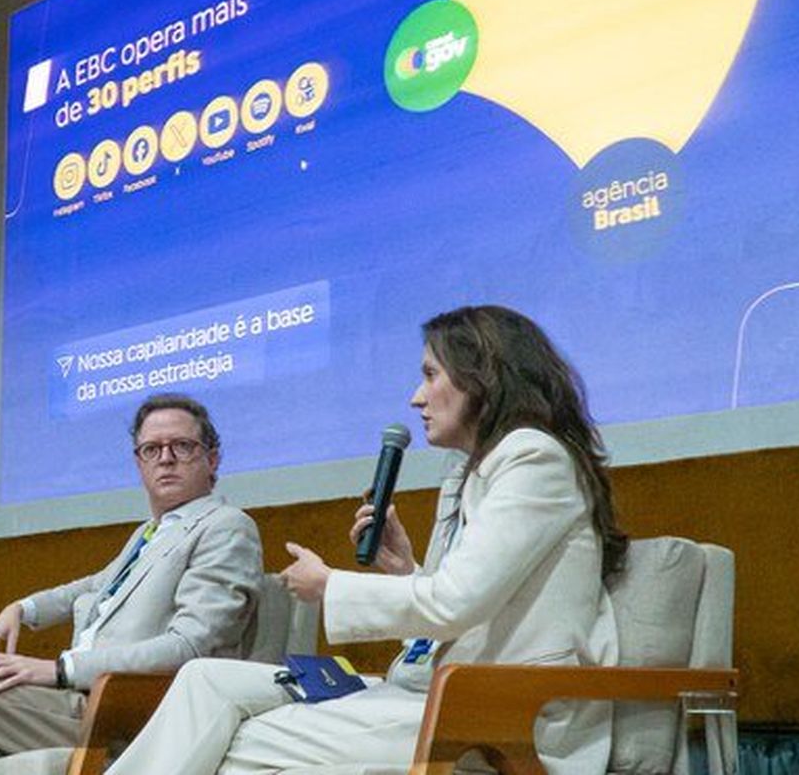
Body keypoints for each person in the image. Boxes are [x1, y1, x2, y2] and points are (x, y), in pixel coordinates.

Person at [104, 305, 630, 775]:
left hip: (503, 712)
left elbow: (454, 605)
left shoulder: (533, 459)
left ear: (482, 377)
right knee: (204, 681)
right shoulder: (469, 474)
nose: (416, 397)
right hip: (434, 691)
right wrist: (404, 570)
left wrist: (330, 586)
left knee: (241, 739)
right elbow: (462, 609)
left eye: (430, 375)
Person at [0, 393, 264, 775]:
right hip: (79, 703)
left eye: (182, 446)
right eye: (152, 449)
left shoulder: (225, 526)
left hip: (125, 712)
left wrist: (60, 669)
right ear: (139, 462)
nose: (165, 458)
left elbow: (191, 647)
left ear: (212, 459)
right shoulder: (151, 532)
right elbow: (93, 585)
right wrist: (23, 608)